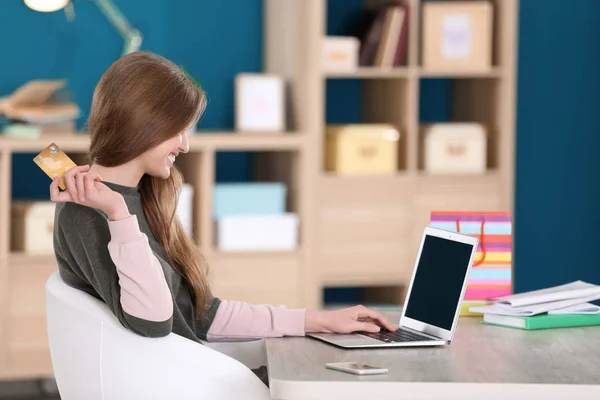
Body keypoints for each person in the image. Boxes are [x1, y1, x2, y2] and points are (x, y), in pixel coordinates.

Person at [50, 51, 398, 386]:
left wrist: (319, 320)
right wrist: (118, 215)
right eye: (178, 130)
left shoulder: (140, 197)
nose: (184, 145)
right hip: (186, 385)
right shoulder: (92, 214)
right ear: (146, 123)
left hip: (204, 376)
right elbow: (153, 321)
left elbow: (203, 315)